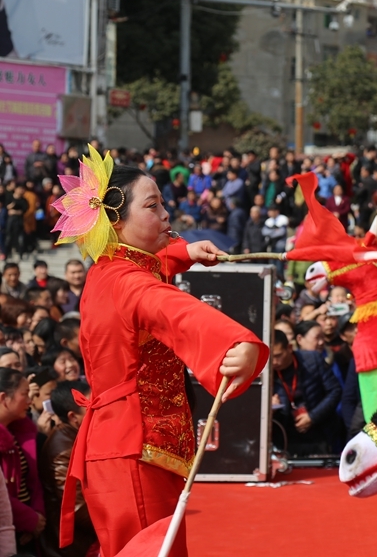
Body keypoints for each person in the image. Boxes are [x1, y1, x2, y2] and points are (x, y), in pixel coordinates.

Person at [51, 151, 268, 556]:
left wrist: (184, 253)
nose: (167, 214)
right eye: (152, 206)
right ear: (115, 221)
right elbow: (172, 308)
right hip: (133, 448)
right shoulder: (127, 282)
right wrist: (235, 342)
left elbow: (150, 267)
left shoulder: (109, 268)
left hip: (125, 446)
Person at [40, 380, 97, 557]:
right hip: (78, 546)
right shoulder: (63, 449)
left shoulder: (78, 435)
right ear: (73, 417)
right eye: (91, 407)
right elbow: (77, 508)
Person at [272, 328, 342, 457]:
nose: (274, 362)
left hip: (318, 432)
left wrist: (312, 417)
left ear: (289, 348)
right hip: (285, 436)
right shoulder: (266, 372)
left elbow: (335, 390)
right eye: (270, 357)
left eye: (278, 356)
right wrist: (270, 408)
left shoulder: (312, 359)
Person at [0, 367, 44, 550]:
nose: (29, 400)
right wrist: (29, 519)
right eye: (24, 394)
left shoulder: (20, 432)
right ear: (3, 398)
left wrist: (38, 515)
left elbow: (34, 481)